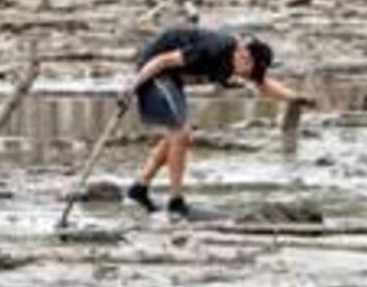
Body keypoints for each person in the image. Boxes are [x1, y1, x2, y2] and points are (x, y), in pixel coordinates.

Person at [124, 27, 308, 218]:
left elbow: (264, 85)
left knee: (177, 135)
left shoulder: (245, 59)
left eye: (250, 73)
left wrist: (297, 98)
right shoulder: (212, 48)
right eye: (246, 70)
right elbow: (162, 61)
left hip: (173, 76)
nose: (245, 77)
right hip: (153, 69)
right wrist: (132, 87)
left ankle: (140, 188)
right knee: (180, 132)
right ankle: (176, 202)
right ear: (242, 54)